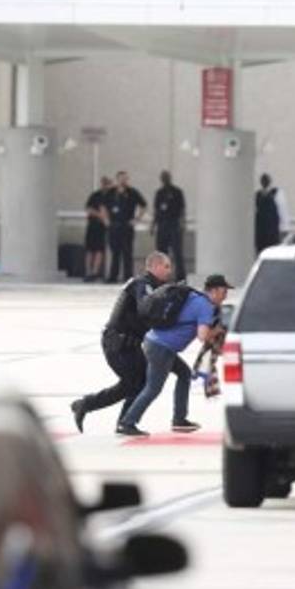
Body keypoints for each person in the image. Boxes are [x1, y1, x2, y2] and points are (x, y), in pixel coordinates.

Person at [70, 251, 173, 434]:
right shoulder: (142, 284)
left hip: (128, 344)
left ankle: (103, 412)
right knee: (136, 382)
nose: (169, 271)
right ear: (155, 266)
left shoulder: (149, 285)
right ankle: (117, 419)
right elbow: (145, 308)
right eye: (166, 266)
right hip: (118, 344)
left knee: (136, 382)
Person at [118, 274, 232, 437]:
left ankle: (179, 419)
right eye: (224, 291)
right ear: (213, 291)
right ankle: (127, 423)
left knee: (184, 374)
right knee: (153, 388)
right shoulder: (205, 306)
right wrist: (219, 330)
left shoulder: (194, 296)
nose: (225, 296)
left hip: (156, 342)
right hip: (161, 348)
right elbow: (203, 336)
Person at [106, 171, 147, 284]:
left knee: (127, 252)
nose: (123, 181)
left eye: (125, 179)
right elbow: (102, 205)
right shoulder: (111, 192)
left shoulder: (132, 192)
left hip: (126, 225)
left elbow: (143, 205)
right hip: (114, 225)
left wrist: (136, 219)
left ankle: (127, 277)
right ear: (117, 179)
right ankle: (113, 276)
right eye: (121, 178)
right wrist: (106, 220)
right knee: (115, 252)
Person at [152, 170, 187, 282]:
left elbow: (182, 209)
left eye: (166, 177)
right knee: (161, 253)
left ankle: (181, 277)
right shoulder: (159, 193)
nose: (165, 179)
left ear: (170, 178)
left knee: (177, 252)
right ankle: (161, 277)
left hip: (174, 224)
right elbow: (156, 210)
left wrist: (182, 223)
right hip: (162, 225)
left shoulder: (177, 192)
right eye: (163, 177)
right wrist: (153, 225)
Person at [84, 177, 111, 283]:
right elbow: (89, 209)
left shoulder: (111, 196)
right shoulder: (95, 195)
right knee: (90, 249)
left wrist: (105, 218)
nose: (106, 186)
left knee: (100, 250)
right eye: (104, 184)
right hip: (92, 225)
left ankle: (95, 272)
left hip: (102, 227)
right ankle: (88, 272)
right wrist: (100, 215)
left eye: (107, 184)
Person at [255, 174, 283, 253]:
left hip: (272, 230)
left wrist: (283, 229)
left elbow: (282, 212)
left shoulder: (276, 194)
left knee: (272, 251)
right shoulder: (257, 195)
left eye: (265, 180)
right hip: (261, 231)